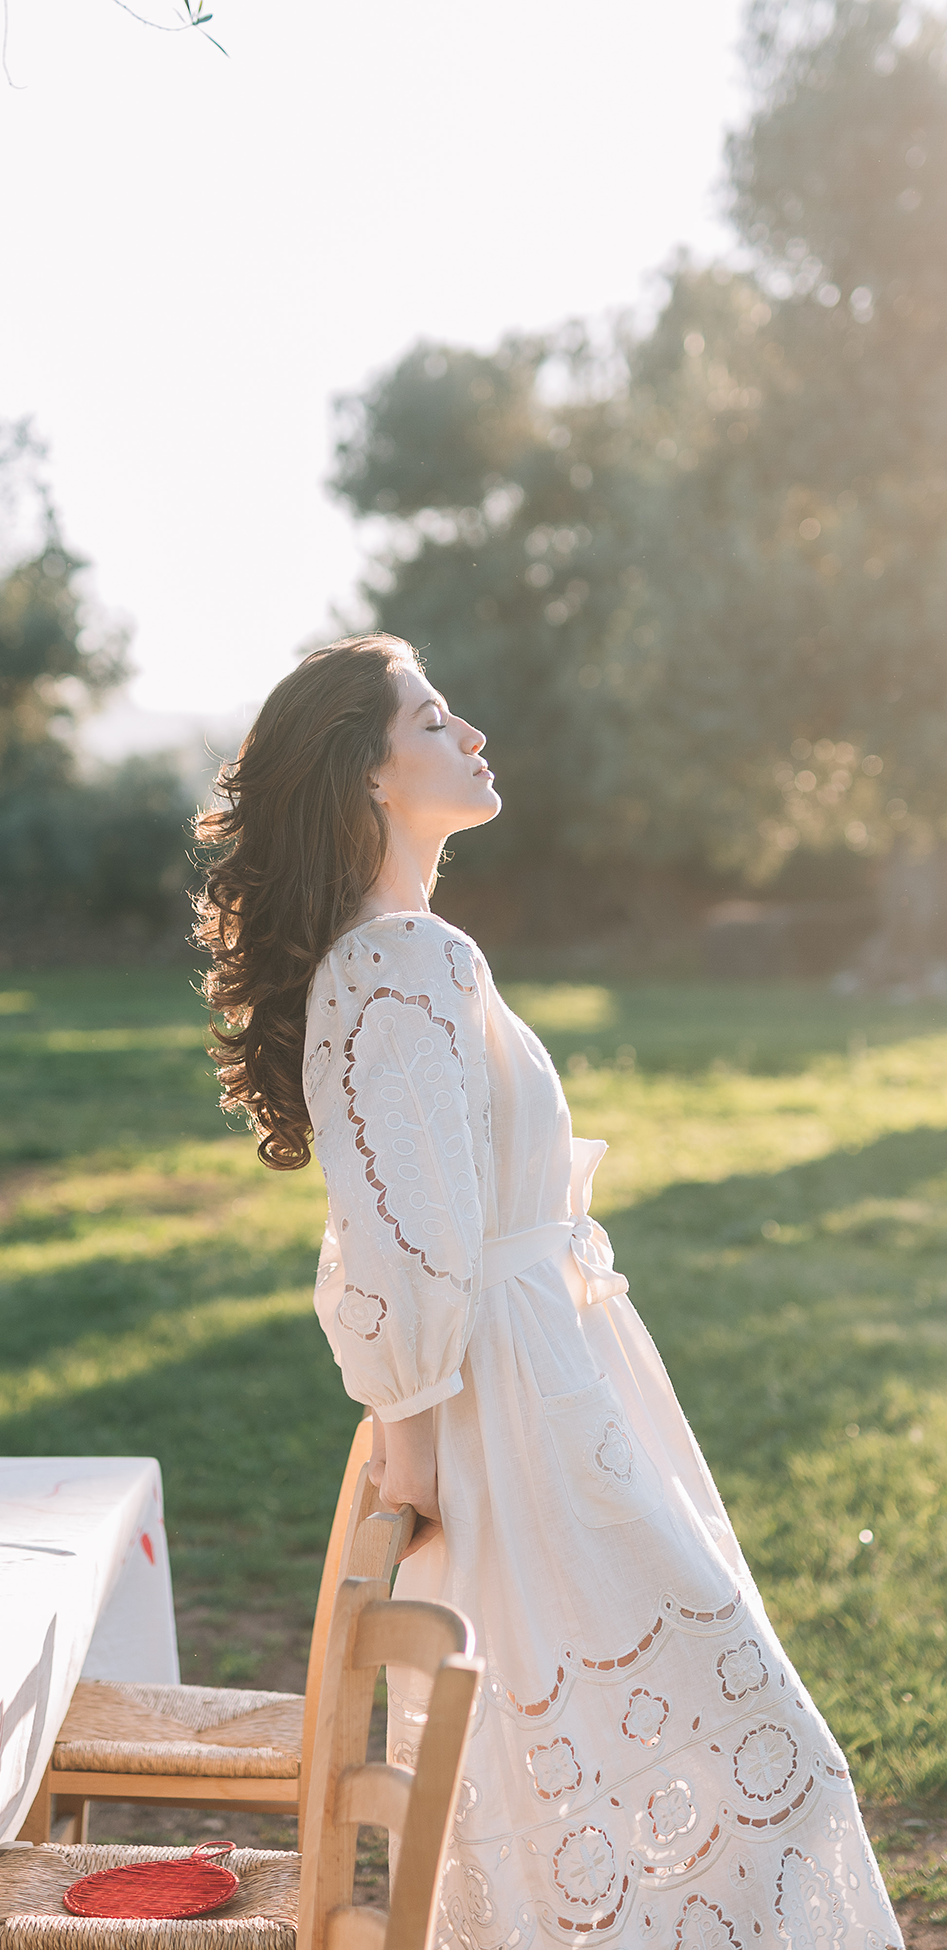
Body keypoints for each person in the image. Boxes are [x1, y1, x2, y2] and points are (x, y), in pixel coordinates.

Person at [194, 634, 901, 1950]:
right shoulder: (402, 957)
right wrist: (415, 1436)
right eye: (434, 720)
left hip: (543, 1378)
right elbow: (400, 1235)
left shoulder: (409, 953)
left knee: (669, 1764)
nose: (474, 736)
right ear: (365, 775)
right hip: (513, 1409)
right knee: (760, 1762)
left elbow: (402, 1212)